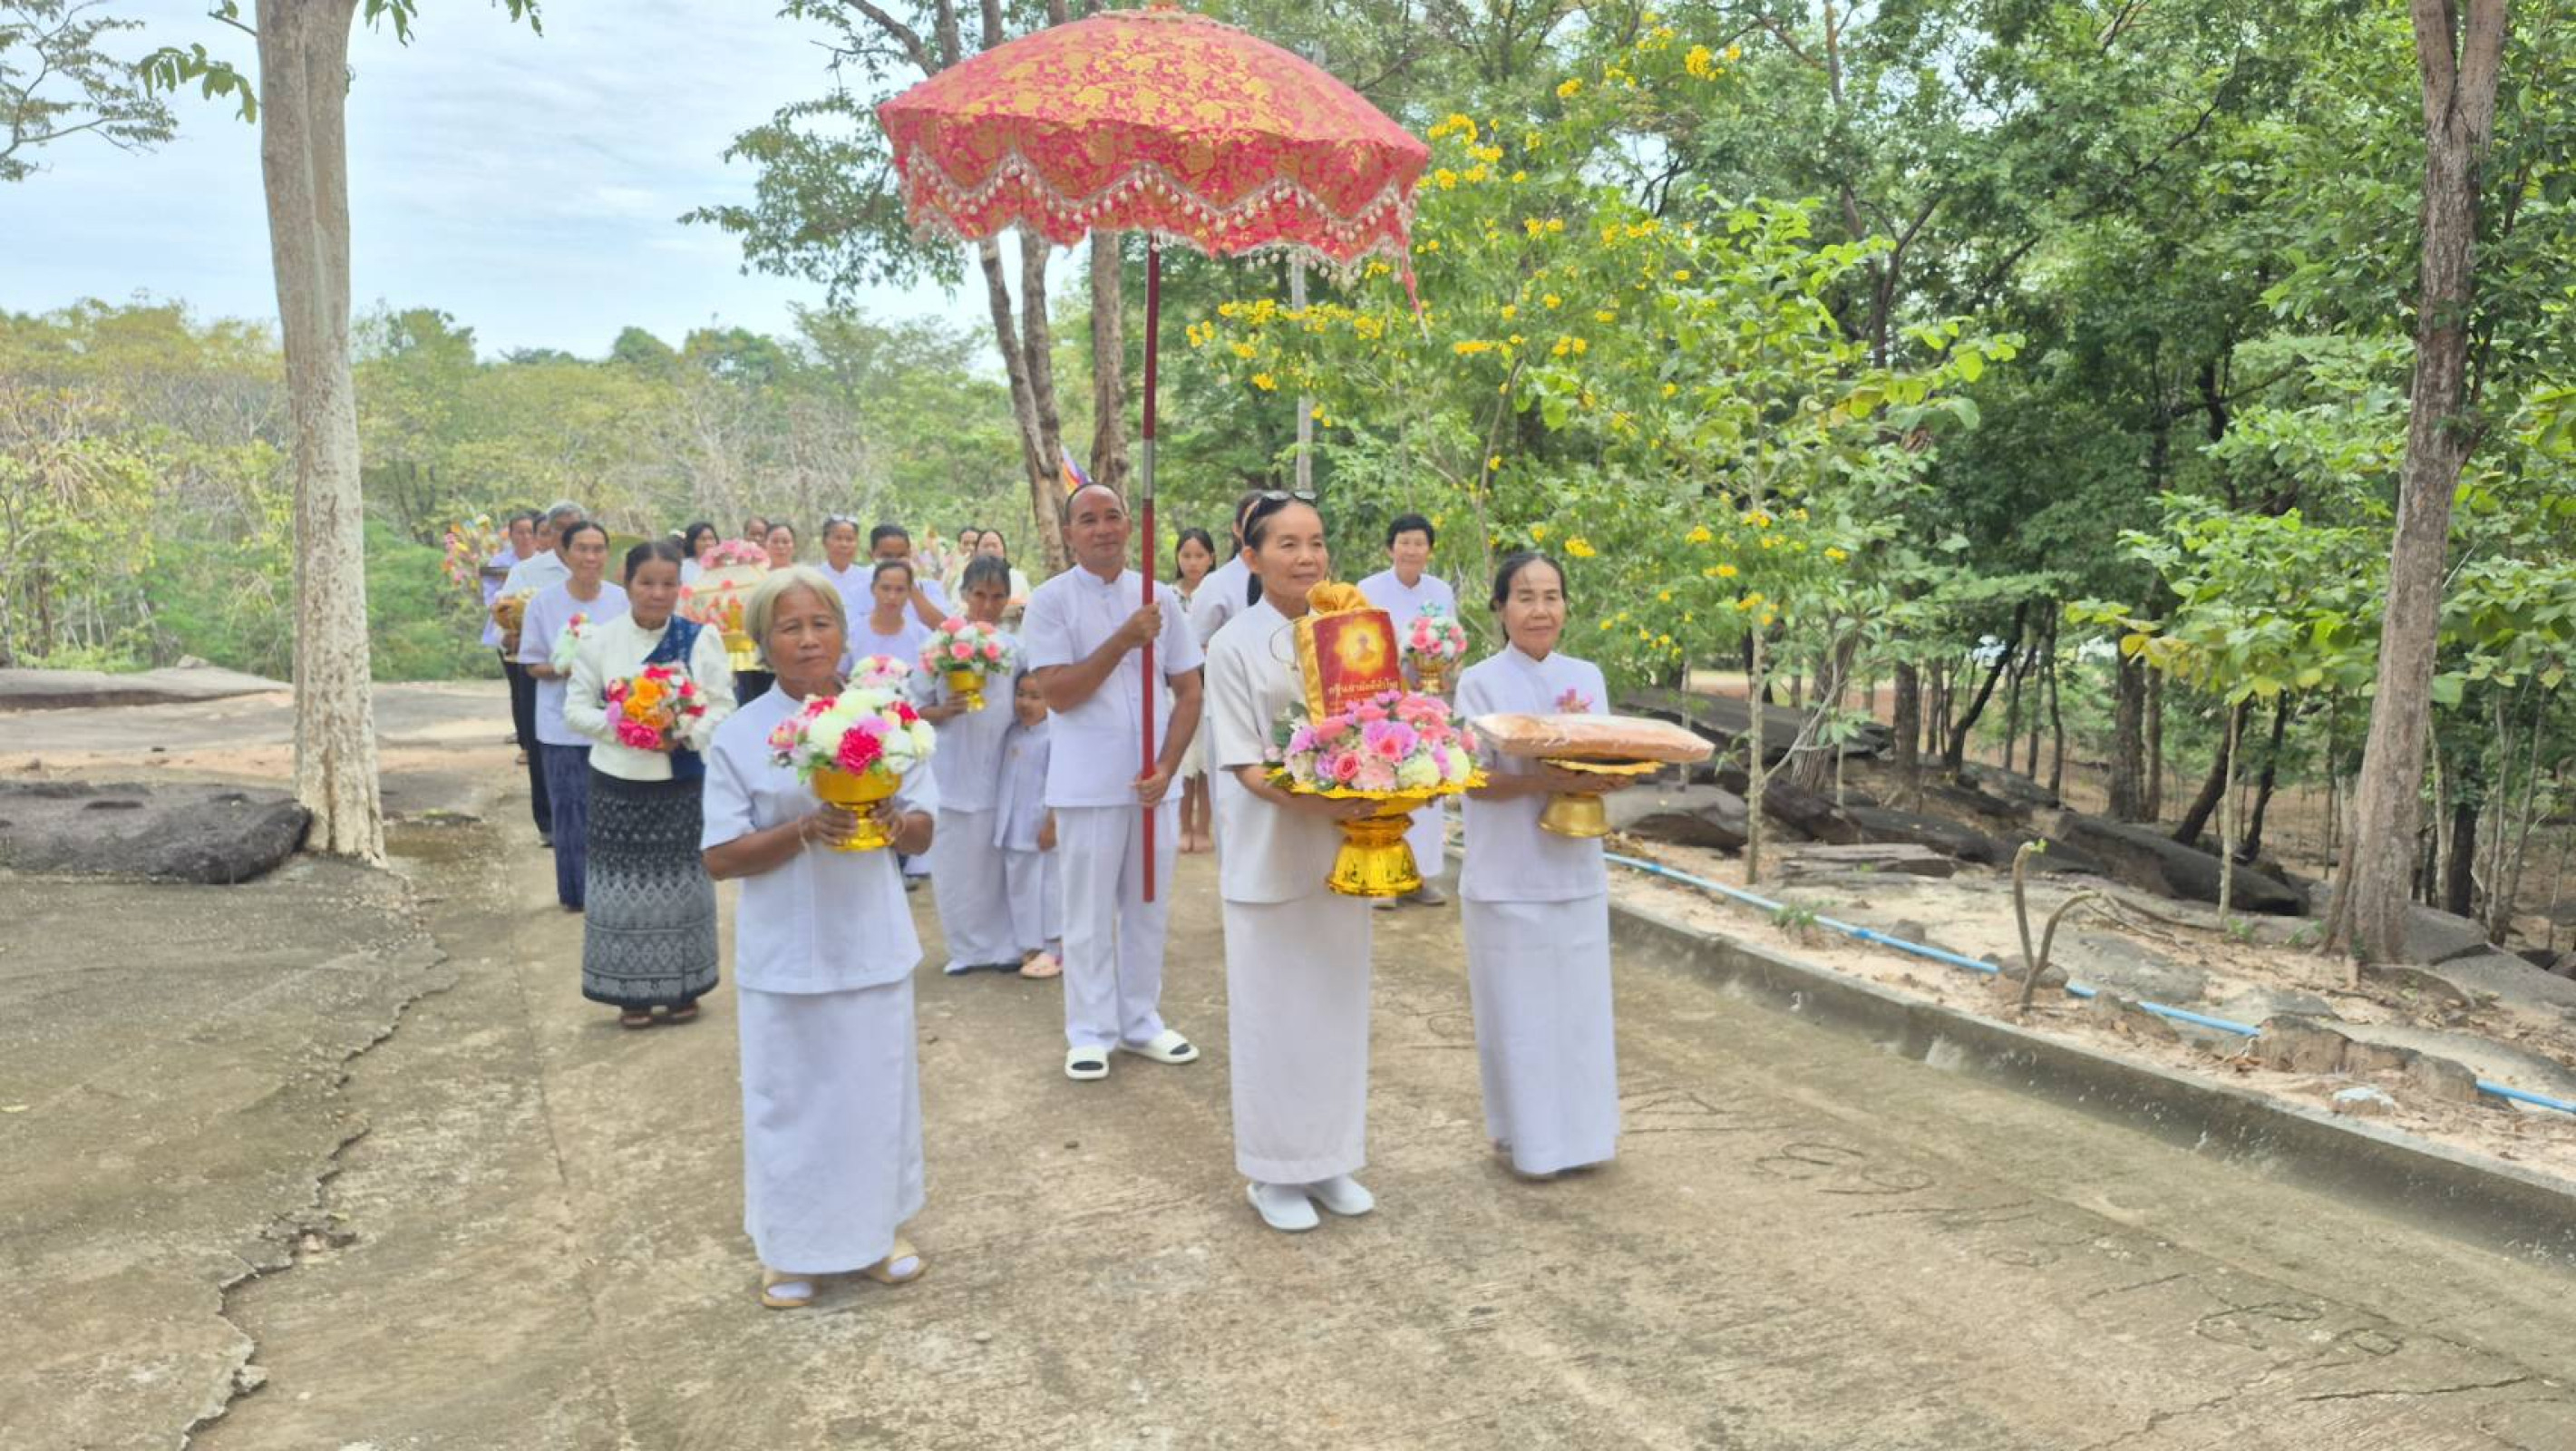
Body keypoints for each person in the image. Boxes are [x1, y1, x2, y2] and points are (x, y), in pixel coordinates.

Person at [702, 566, 938, 1310]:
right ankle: (789, 1249)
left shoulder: (887, 720)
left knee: (876, 1093)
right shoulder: (739, 736)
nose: (807, 640)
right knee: (790, 1103)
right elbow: (717, 856)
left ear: (844, 630)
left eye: (820, 624)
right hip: (784, 953)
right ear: (761, 643)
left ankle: (877, 1234)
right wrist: (805, 828)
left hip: (870, 939)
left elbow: (927, 825)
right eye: (789, 627)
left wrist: (891, 821)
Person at [1201, 493, 1383, 1232]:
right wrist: (1333, 806)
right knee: (1274, 1018)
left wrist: (1381, 789)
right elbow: (1246, 765)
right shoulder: (1233, 645)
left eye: (1315, 542)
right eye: (1286, 544)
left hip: (1344, 852)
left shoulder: (1350, 635)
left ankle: (1330, 1159)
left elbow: (1379, 723)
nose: (1306, 558)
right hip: (1269, 854)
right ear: (1251, 556)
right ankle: (1272, 1173)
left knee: (1336, 1012)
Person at [1454, 552, 1635, 1183]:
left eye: (1551, 596)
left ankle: (1585, 1140)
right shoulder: (1477, 683)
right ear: (1499, 608)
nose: (1539, 610)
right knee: (1520, 1017)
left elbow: (1608, 758)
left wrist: (1597, 777)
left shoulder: (1586, 676)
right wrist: (1538, 779)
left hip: (1575, 869)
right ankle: (1526, 1143)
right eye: (1524, 597)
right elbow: (1471, 781)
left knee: (1580, 1015)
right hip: (1505, 874)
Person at [1021, 480, 1204, 1081]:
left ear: (1130, 526)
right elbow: (1059, 694)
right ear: (1070, 533)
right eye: (1088, 519)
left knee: (1147, 905)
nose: (1101, 528)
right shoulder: (1050, 602)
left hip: (1154, 782)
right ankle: (1090, 1031)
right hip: (1087, 785)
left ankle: (1140, 1020)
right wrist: (1124, 637)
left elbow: (1188, 689)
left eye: (1112, 516)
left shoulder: (1161, 599)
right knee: (1088, 910)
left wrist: (1168, 767)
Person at [564, 540, 736, 1027]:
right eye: (647, 583)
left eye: (668, 584)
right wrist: (629, 728)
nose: (657, 594)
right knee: (622, 891)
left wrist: (684, 734)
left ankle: (685, 987)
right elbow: (575, 709)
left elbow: (724, 706)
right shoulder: (599, 641)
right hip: (618, 782)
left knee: (684, 886)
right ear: (627, 582)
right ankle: (629, 993)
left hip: (680, 781)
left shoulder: (700, 639)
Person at [917, 557, 1023, 974]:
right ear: (963, 595)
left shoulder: (1016, 649)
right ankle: (965, 947)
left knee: (997, 861)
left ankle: (1005, 944)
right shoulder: (938, 646)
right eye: (979, 595)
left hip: (1001, 763)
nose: (987, 605)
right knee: (956, 862)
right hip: (952, 765)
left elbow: (1029, 699)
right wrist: (941, 711)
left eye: (997, 596)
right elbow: (912, 705)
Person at [520, 521, 627, 911]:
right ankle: (577, 893)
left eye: (598, 549)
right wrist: (567, 667)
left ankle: (614, 888)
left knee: (613, 810)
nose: (591, 557)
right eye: (582, 548)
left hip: (612, 722)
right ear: (565, 554)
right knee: (569, 812)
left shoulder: (620, 601)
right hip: (560, 724)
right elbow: (532, 664)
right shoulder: (543, 604)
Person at [1357, 512, 1462, 908]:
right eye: (1405, 542)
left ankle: (1420, 877)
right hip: (1382, 704)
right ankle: (1384, 878)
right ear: (1390, 547)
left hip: (1428, 703)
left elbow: (1451, 641)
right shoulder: (1368, 589)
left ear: (1429, 550)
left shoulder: (1440, 591)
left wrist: (1441, 667)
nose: (1412, 549)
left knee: (1426, 782)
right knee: (1384, 783)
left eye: (1420, 543)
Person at [500, 502, 583, 845]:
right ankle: (548, 821)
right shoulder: (527, 571)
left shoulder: (593, 569)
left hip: (586, 669)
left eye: (574, 527)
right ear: (548, 532)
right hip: (536, 664)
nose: (567, 534)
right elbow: (504, 614)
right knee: (539, 740)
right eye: (559, 528)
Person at [992, 669, 1063, 979]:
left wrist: (1053, 823)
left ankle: (1056, 947)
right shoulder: (1013, 733)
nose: (1026, 703)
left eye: (1036, 697)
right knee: (1020, 887)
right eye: (1021, 694)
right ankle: (1030, 945)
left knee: (1049, 887)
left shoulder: (1054, 737)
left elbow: (1060, 783)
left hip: (1041, 829)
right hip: (1013, 827)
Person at [1171, 527, 1219, 853]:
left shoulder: (1218, 593)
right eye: (1187, 555)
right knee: (1185, 761)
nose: (1193, 562)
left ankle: (1204, 829)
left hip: (1214, 685)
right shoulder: (1167, 595)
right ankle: (1183, 826)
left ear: (1211, 558)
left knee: (1207, 760)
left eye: (1200, 555)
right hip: (1178, 689)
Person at [1186, 489, 1269, 651]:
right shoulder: (1216, 584)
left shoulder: (1290, 579)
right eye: (1253, 521)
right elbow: (1193, 648)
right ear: (1237, 529)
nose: (1261, 529)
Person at [485, 510, 538, 764]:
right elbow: (491, 599)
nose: (526, 537)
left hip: (539, 636)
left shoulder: (544, 563)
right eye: (520, 531)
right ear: (511, 534)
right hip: (509, 634)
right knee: (518, 688)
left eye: (531, 531)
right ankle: (525, 743)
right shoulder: (498, 563)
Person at [870, 522, 952, 629]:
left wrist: (910, 584)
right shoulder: (858, 588)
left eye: (901, 556)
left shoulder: (928, 587)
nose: (894, 562)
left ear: (909, 554)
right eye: (887, 556)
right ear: (872, 555)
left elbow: (943, 628)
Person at [971, 527, 1035, 628]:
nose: (990, 550)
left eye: (994, 546)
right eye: (986, 546)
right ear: (976, 552)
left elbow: (1029, 610)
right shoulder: (966, 577)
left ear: (1004, 552)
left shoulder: (1017, 578)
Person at [816, 515, 871, 627]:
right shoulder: (813, 577)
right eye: (838, 538)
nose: (844, 544)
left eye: (849, 539)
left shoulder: (869, 577)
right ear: (824, 542)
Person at [678, 521, 718, 586]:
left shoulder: (724, 565)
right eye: (703, 539)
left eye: (711, 538)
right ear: (692, 542)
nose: (708, 543)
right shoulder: (682, 568)